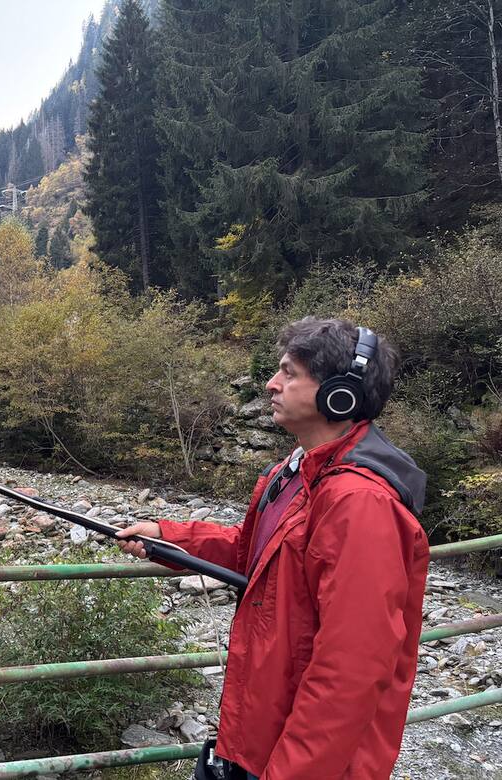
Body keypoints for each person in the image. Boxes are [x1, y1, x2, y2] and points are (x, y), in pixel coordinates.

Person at [117, 317, 429, 780]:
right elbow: (253, 553)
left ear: (338, 393)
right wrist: (167, 537)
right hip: (258, 733)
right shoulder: (293, 472)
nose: (271, 384)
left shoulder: (359, 503)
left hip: (306, 760)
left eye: (289, 373)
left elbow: (352, 669)